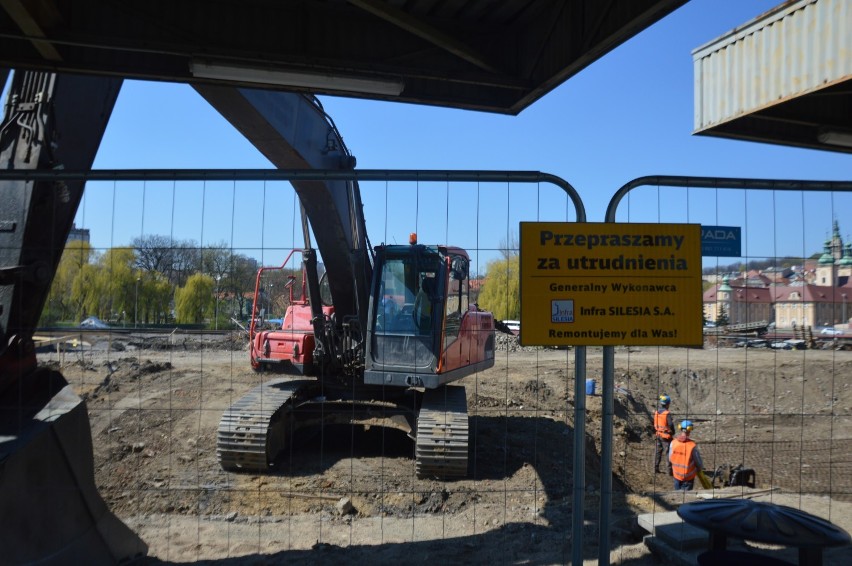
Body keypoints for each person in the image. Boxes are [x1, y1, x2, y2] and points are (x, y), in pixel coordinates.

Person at [669, 420, 703, 491]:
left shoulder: (673, 443)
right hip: (688, 478)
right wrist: (699, 469)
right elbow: (698, 463)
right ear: (689, 430)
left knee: (677, 496)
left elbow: (670, 458)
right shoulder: (692, 446)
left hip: (676, 475)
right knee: (686, 497)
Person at [653, 394, 674, 475]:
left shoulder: (657, 412)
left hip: (658, 434)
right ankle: (669, 471)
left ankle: (655, 468)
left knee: (658, 452)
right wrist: (672, 432)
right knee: (668, 453)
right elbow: (671, 424)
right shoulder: (667, 413)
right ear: (668, 404)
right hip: (665, 436)